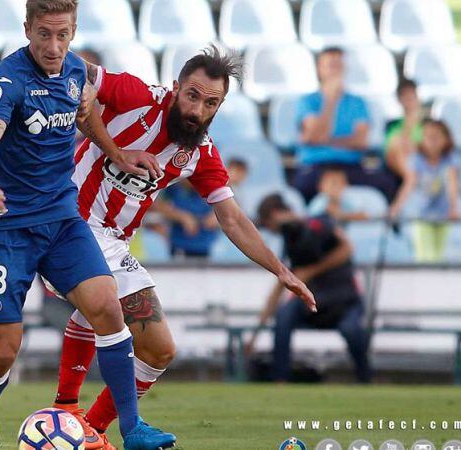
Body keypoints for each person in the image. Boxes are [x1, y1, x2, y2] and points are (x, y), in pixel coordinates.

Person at [52, 46, 316, 449]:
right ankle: (80, 416)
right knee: (156, 342)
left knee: (147, 345)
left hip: (113, 240)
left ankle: (86, 427)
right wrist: (81, 91)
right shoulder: (137, 97)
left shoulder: (199, 153)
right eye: (192, 95)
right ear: (175, 88)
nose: (197, 110)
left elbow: (232, 218)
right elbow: (76, 66)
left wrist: (280, 271)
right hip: (71, 223)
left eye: (211, 103)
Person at [0, 1, 176, 449]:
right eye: (44, 34)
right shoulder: (10, 79)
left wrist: (117, 154)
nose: (54, 46)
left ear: (74, 30)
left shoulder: (75, 70)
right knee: (2, 349)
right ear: (27, 29)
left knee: (106, 306)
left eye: (63, 35)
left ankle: (132, 429)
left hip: (62, 218)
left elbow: (85, 113)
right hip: (7, 227)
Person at [248, 194, 372, 383]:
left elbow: (347, 248)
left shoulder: (318, 222)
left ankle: (365, 381)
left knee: (352, 331)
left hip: (344, 301)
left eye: (268, 224)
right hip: (315, 304)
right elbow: (278, 288)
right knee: (284, 317)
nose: (271, 231)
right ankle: (280, 380)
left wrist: (311, 271)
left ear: (275, 214)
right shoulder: (291, 241)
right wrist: (256, 335)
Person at [291, 47, 395, 203]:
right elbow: (313, 135)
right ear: (320, 69)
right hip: (317, 166)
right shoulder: (307, 101)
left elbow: (360, 142)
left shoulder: (358, 102)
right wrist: (330, 102)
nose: (334, 71)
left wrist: (325, 140)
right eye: (330, 65)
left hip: (350, 166)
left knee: (386, 184)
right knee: (301, 188)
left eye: (338, 66)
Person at [389, 119, 461, 262]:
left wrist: (454, 207)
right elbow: (409, 184)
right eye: (428, 136)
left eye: (436, 136)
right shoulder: (417, 160)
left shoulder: (449, 159)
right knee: (425, 257)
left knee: (440, 256)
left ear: (446, 139)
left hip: (443, 214)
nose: (432, 141)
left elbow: (453, 183)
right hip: (422, 215)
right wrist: (395, 208)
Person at [155, 181, 221, 258]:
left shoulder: (214, 185)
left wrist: (217, 215)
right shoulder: (173, 186)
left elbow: (229, 207)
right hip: (180, 245)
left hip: (205, 245)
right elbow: (158, 206)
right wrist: (182, 217)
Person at [385, 79, 423, 181]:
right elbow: (391, 152)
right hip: (402, 165)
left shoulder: (429, 124)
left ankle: (411, 181)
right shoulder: (392, 125)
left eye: (412, 95)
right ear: (399, 99)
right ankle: (411, 179)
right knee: (397, 143)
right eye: (405, 96)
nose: (409, 99)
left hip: (424, 163)